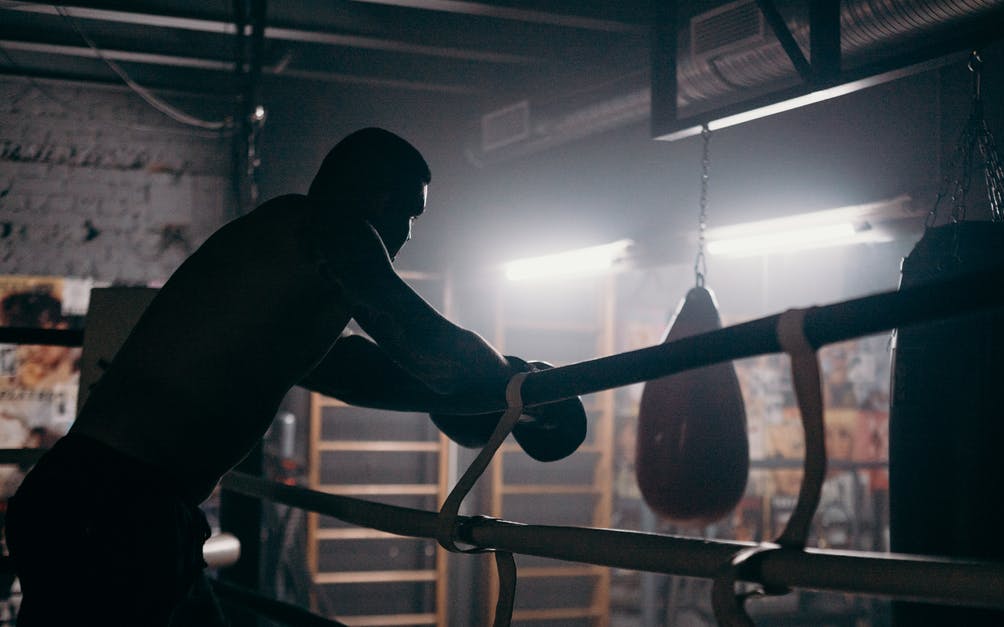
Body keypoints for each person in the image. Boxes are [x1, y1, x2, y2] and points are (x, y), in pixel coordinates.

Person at [4, 127, 584, 626]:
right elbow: (426, 344)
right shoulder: (330, 229)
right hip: (114, 510)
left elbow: (358, 374)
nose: (407, 235)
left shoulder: (285, 259)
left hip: (108, 502)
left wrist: (489, 400)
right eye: (409, 212)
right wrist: (521, 382)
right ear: (378, 195)